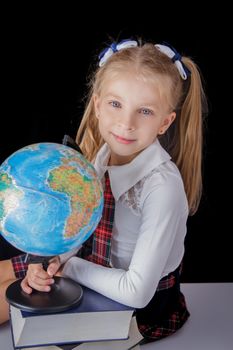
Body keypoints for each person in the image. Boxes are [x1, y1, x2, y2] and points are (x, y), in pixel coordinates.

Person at [0, 38, 207, 342]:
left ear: (165, 122)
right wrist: (50, 263)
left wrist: (68, 267)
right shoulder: (101, 157)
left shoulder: (162, 187)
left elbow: (136, 292)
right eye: (115, 104)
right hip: (89, 264)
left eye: (145, 111)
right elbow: (84, 225)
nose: (126, 123)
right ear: (97, 105)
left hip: (137, 304)